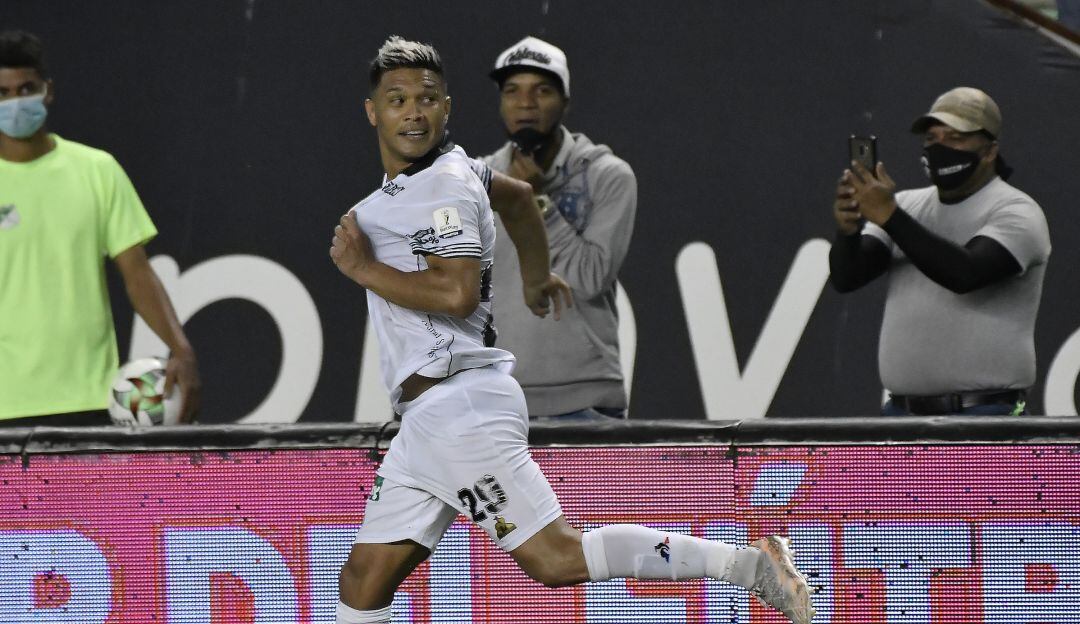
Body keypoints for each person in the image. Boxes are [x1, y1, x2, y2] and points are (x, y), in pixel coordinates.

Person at [328, 36, 814, 624]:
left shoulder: (440, 186)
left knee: (555, 558)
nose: (413, 111)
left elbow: (455, 295)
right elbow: (517, 197)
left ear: (447, 107)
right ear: (371, 111)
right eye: (398, 98)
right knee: (363, 582)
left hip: (459, 409)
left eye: (427, 98)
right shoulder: (459, 169)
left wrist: (363, 268)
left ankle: (747, 565)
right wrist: (536, 276)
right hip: (426, 421)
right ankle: (747, 564)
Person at [0, 30, 200, 426]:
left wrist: (181, 350)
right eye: (3, 93)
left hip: (89, 395)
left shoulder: (97, 170)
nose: (15, 102)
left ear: (48, 90)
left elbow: (137, 274)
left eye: (26, 89)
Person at [829, 86, 1051, 416]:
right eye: (932, 138)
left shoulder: (1016, 211)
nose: (941, 147)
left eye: (956, 138)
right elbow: (848, 277)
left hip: (985, 416)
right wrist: (847, 231)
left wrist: (889, 216)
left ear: (989, 151)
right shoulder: (907, 204)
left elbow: (965, 273)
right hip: (902, 416)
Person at [479, 36, 637, 419]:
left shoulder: (609, 176)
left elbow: (590, 277)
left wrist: (533, 202)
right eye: (512, 91)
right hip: (498, 401)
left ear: (565, 100)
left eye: (542, 90)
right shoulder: (476, 181)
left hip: (586, 400)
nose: (526, 103)